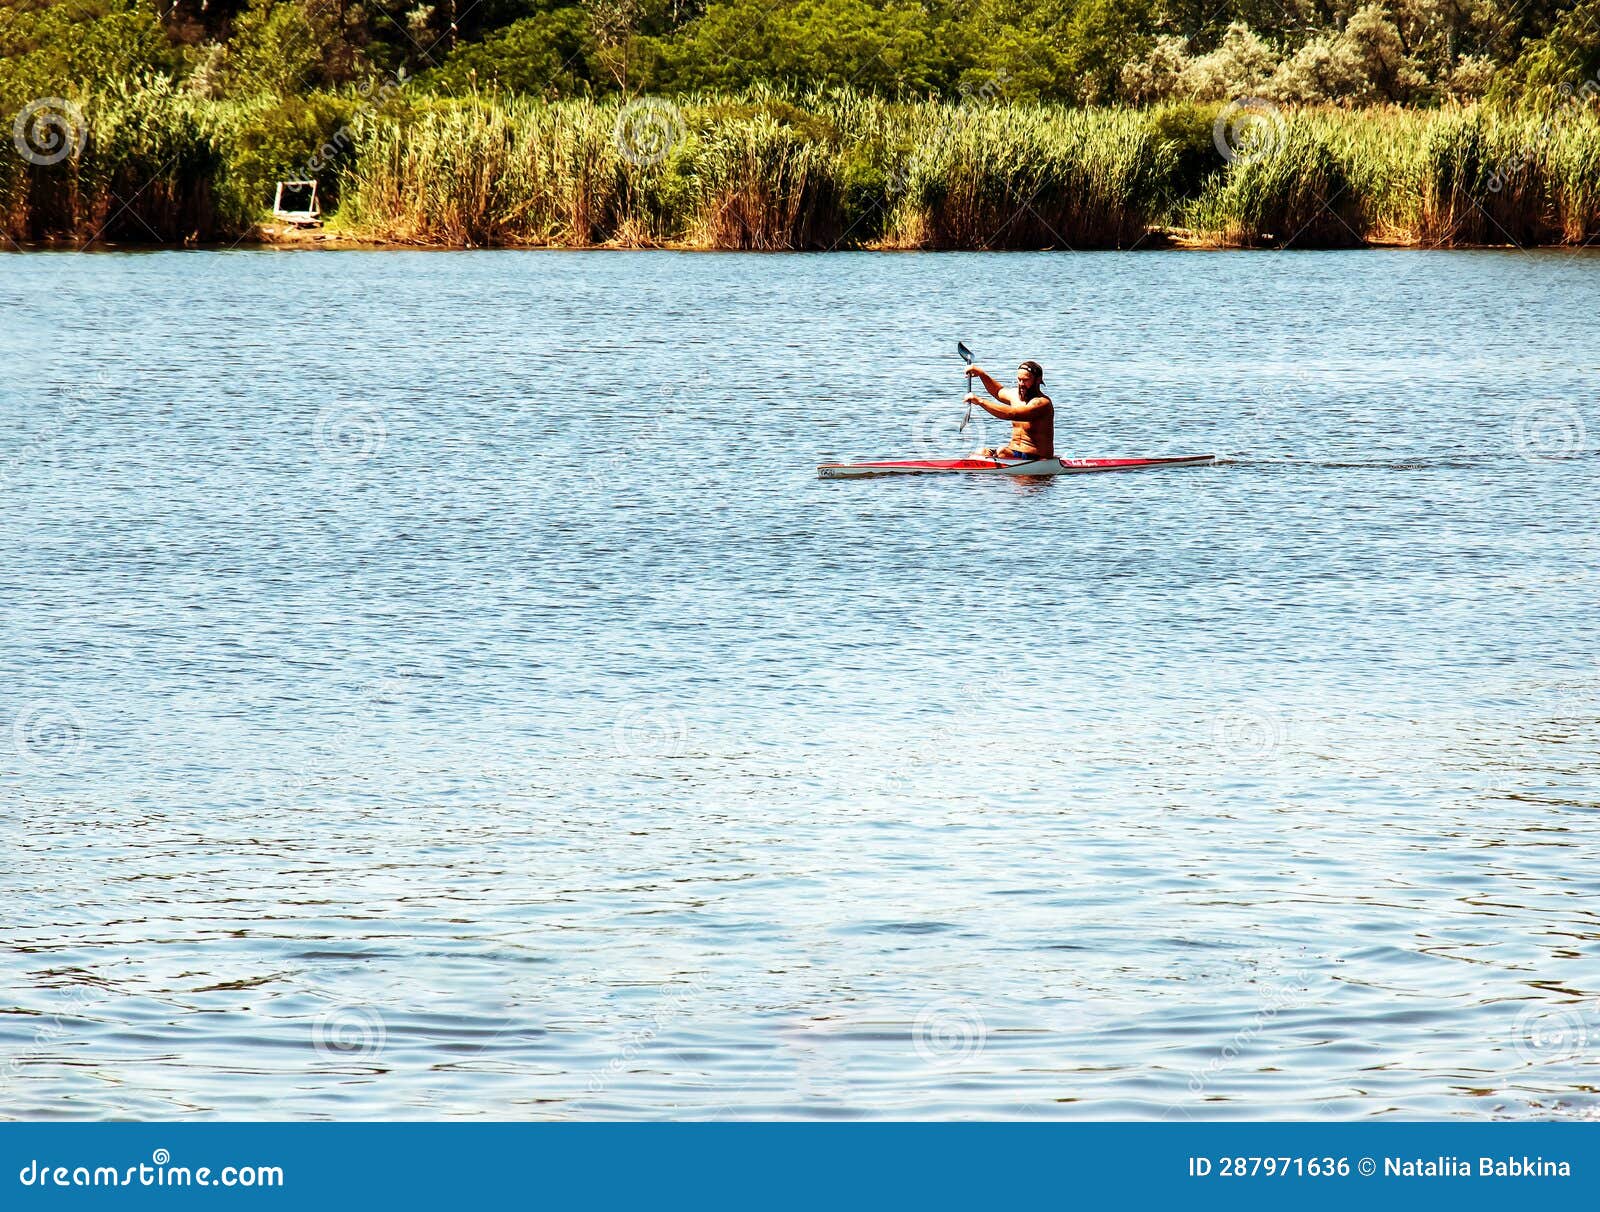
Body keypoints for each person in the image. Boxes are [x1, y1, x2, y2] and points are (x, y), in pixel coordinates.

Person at [963, 360, 1053, 460]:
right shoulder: (1015, 395)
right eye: (1019, 379)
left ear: (1038, 380)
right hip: (1012, 452)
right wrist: (981, 374)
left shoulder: (1041, 403)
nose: (1021, 384)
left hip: (1037, 457)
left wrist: (980, 401)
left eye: (1025, 380)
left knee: (1002, 452)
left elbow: (1012, 414)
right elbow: (998, 391)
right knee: (980, 452)